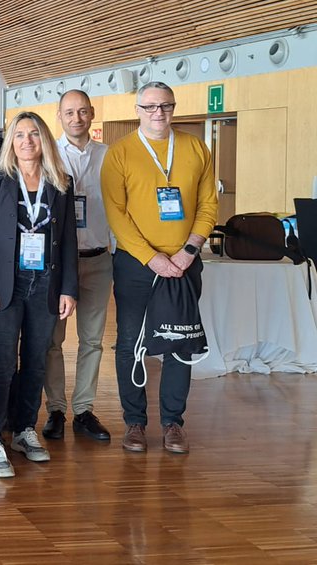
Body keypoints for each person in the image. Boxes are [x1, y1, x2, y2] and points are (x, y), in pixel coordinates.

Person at [101, 81, 217, 454]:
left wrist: (188, 251)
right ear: (138, 110)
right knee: (131, 343)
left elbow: (208, 205)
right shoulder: (120, 153)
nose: (158, 113)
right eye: (150, 106)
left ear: (174, 108)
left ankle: (173, 424)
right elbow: (115, 214)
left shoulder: (196, 147)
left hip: (185, 263)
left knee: (179, 343)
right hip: (137, 263)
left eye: (165, 106)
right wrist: (151, 257)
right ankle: (134, 422)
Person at [0, 111, 78, 478]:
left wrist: (69, 288)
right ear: (11, 143)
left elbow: (68, 242)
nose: (27, 141)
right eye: (19, 135)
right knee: (2, 363)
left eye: (34, 134)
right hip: (7, 284)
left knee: (35, 360)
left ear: (44, 140)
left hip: (45, 284)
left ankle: (23, 429)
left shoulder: (60, 182)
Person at [43, 90, 114, 443]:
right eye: (69, 112)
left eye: (83, 111)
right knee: (52, 341)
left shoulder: (109, 157)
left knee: (92, 341)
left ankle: (83, 410)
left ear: (92, 114)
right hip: (58, 263)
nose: (76, 118)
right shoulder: (47, 155)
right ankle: (55, 409)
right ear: (60, 116)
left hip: (99, 259)